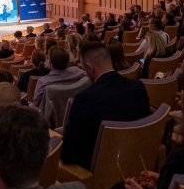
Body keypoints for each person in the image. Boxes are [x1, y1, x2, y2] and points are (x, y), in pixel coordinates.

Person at [61, 41, 152, 169]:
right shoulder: (138, 87)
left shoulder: (84, 100)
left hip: (99, 174)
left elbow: (68, 155)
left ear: (89, 67)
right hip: (137, 163)